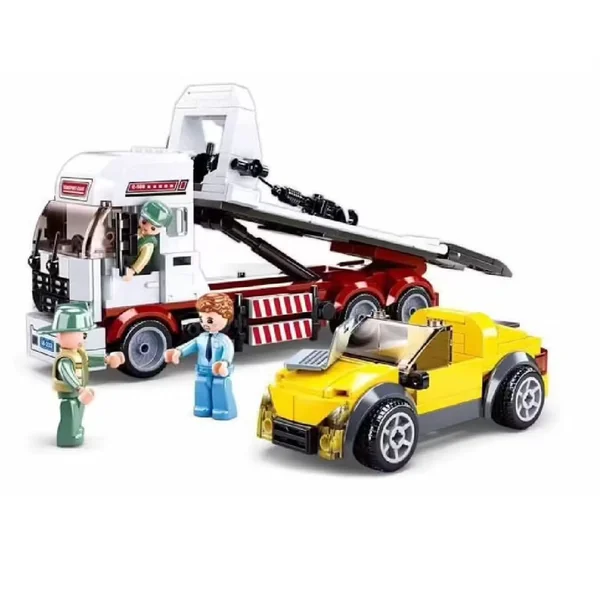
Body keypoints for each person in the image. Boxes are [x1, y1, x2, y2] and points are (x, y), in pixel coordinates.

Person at [39, 303, 125, 447]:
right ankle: (67, 436)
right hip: (70, 393)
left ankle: (76, 430)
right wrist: (79, 388)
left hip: (78, 392)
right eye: (80, 334)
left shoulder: (78, 353)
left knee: (79, 410)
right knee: (70, 411)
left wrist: (106, 359)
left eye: (84, 335)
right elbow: (68, 375)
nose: (83, 338)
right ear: (60, 336)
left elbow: (88, 361)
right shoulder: (65, 359)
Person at [164, 292, 237, 420]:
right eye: (202, 319)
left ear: (226, 317)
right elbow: (190, 346)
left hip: (218, 371)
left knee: (220, 387)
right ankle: (202, 407)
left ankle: (223, 410)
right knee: (201, 387)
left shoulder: (224, 340)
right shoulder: (201, 338)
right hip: (202, 370)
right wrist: (178, 352)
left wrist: (224, 363)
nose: (205, 323)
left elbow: (228, 353)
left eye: (209, 320)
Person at [123, 200, 172, 282]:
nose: (146, 227)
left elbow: (143, 259)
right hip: (126, 261)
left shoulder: (148, 244)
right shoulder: (136, 230)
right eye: (144, 222)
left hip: (139, 272)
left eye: (153, 228)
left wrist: (133, 270)